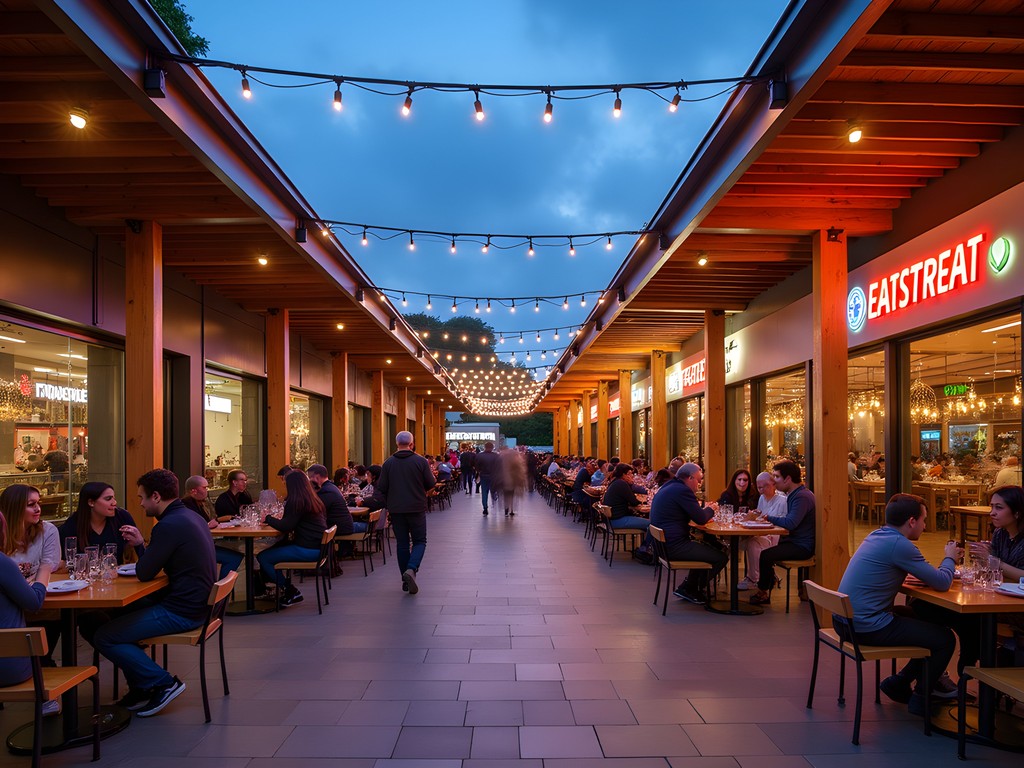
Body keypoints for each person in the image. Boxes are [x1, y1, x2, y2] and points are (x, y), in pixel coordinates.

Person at [95, 469, 216, 717]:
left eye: (142, 497)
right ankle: (142, 685)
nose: (140, 503)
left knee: (104, 636)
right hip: (199, 605)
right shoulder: (191, 517)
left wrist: (141, 546)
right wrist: (142, 546)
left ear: (157, 497)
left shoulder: (168, 525)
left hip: (182, 611)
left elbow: (145, 572)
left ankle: (163, 682)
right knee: (99, 619)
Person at [836, 493, 961, 716]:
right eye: (923, 520)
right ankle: (921, 698)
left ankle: (900, 682)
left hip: (845, 620)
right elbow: (942, 582)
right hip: (866, 627)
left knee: (919, 616)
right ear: (912, 521)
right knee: (945, 639)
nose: (925, 526)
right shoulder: (900, 545)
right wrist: (950, 557)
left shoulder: (877, 535)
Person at [648, 463, 724, 605]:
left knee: (709, 547)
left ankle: (689, 586)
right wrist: (712, 508)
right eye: (699, 480)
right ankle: (691, 589)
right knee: (720, 556)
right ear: (690, 478)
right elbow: (700, 518)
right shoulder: (683, 491)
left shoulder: (669, 486)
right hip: (674, 547)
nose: (699, 485)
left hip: (661, 545)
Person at [0, 509, 51, 703]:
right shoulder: (3, 563)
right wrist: (43, 573)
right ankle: (49, 704)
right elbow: (34, 603)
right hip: (9, 668)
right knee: (44, 658)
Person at [748, 461, 816, 606]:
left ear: (788, 479)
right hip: (794, 541)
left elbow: (790, 523)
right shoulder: (796, 494)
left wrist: (768, 517)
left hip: (802, 546)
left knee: (766, 555)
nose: (774, 481)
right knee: (764, 549)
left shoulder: (802, 497)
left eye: (777, 476)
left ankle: (763, 592)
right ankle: (768, 581)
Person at [257, 470, 327, 607]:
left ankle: (290, 591)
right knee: (273, 549)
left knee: (263, 557)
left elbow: (286, 526)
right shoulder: (312, 499)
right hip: (318, 547)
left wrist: (268, 518)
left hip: (308, 550)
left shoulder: (296, 501)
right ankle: (272, 587)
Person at [378, 431, 435, 594]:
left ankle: (405, 580)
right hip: (416, 507)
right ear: (412, 443)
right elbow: (431, 483)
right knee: (420, 541)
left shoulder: (388, 463)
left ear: (397, 444)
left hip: (396, 509)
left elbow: (382, 487)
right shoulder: (420, 461)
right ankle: (411, 568)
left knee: (402, 543)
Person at [59, 481, 145, 565]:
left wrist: (140, 543)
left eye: (114, 498)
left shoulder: (122, 517)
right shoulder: (72, 525)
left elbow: (145, 559)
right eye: (108, 499)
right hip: (85, 574)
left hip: (116, 573)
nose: (114, 503)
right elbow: (64, 562)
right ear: (91, 502)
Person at [180, 476, 244, 580]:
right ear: (193, 491)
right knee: (234, 558)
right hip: (195, 549)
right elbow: (193, 528)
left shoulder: (199, 503)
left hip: (202, 545)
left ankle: (223, 588)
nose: (207, 491)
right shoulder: (187, 506)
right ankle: (222, 589)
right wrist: (212, 523)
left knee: (236, 554)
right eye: (204, 488)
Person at [0, 484, 59, 582]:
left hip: (37, 588)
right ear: (14, 508)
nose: (38, 509)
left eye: (39, 503)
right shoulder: (2, 533)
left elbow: (48, 567)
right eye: (31, 504)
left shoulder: (48, 531)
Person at [737, 472, 785, 591]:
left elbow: (783, 523)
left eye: (765, 486)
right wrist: (751, 517)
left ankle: (754, 579)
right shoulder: (762, 498)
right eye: (759, 487)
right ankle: (766, 575)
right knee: (740, 542)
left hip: (776, 537)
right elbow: (760, 517)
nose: (762, 490)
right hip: (762, 534)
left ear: (773, 484)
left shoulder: (782, 500)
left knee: (753, 543)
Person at [306, 464, 360, 536]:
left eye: (309, 477)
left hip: (340, 529)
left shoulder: (326, 491)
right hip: (343, 526)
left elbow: (316, 511)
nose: (308, 481)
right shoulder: (331, 487)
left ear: (317, 477)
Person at [603, 463, 650, 532]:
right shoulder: (621, 483)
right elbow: (634, 502)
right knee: (651, 524)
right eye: (629, 474)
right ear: (623, 475)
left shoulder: (615, 482)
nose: (632, 476)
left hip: (611, 520)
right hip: (617, 520)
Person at [474, 441, 502, 516]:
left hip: (483, 476)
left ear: (484, 447)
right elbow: (499, 467)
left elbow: (476, 467)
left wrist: (479, 471)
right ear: (492, 447)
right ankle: (494, 503)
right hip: (493, 476)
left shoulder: (479, 456)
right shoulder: (496, 456)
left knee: (484, 492)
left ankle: (485, 508)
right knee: (493, 491)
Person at [500, 448, 527, 516]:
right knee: (512, 495)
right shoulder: (516, 461)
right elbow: (520, 471)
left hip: (504, 480)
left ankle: (506, 509)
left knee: (506, 495)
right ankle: (511, 509)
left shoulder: (502, 460)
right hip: (513, 480)